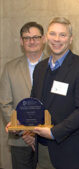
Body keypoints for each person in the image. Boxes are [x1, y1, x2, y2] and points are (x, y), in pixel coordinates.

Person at [30, 17, 79, 169]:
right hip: (42, 150)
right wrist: (21, 122)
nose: (57, 39)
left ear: (70, 39)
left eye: (63, 35)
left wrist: (54, 132)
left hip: (70, 153)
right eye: (53, 34)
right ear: (46, 37)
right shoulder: (39, 68)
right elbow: (34, 104)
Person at [0, 21, 46, 169]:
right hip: (19, 140)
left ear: (43, 39)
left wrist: (36, 134)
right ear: (21, 41)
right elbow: (5, 103)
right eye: (27, 38)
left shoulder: (55, 65)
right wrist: (25, 132)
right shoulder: (10, 68)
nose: (32, 41)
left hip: (48, 138)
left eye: (36, 37)